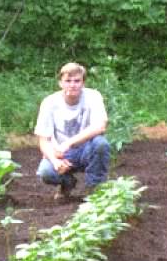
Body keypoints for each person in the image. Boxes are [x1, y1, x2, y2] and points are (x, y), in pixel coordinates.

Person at [34, 61, 110, 200]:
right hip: (61, 154)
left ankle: (95, 190)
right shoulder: (49, 103)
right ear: (60, 83)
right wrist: (55, 161)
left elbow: (100, 126)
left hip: (87, 149)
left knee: (101, 144)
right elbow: (44, 140)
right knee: (46, 172)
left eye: (77, 81)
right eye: (68, 81)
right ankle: (67, 183)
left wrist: (69, 143)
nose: (72, 85)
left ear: (83, 83)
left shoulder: (93, 96)